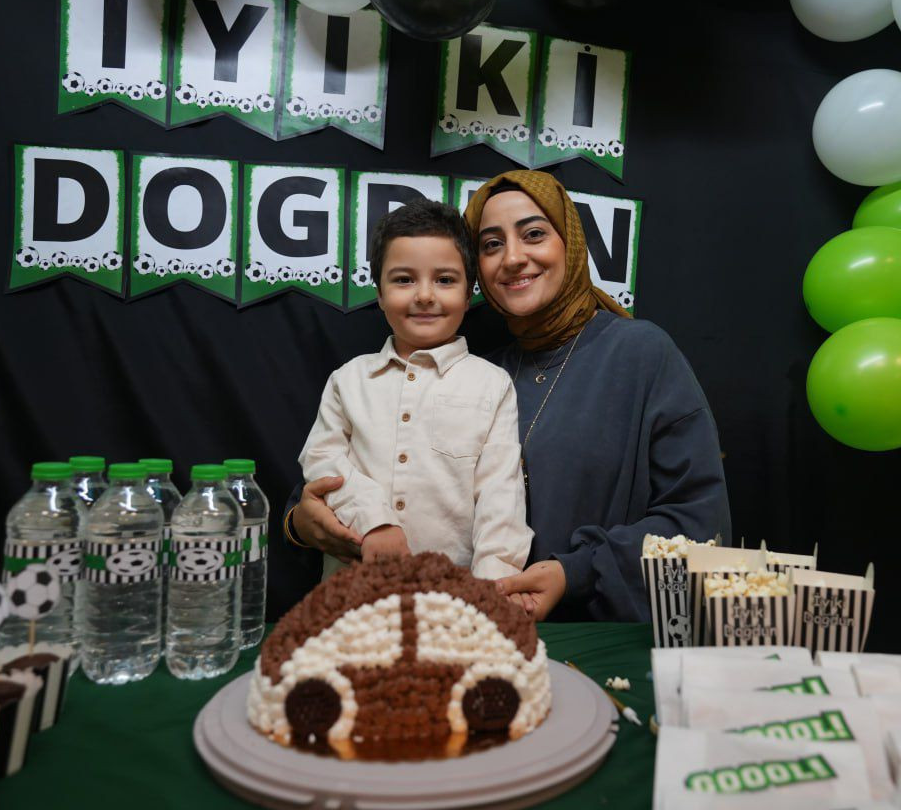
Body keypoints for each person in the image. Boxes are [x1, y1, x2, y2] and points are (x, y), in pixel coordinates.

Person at [286, 171, 730, 622]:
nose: (514, 258)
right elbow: (358, 466)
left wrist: (574, 573)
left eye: (534, 234)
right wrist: (300, 522)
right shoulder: (479, 366)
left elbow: (700, 525)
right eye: (492, 244)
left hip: (589, 631)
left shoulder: (640, 354)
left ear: (570, 243)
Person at [294, 199, 531, 580]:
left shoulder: (492, 384)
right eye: (404, 279)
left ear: (468, 294)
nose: (424, 295)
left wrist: (492, 591)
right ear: (380, 293)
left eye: (445, 280)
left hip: (451, 597)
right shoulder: (348, 380)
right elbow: (323, 462)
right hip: (352, 594)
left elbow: (500, 497)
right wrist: (374, 520)